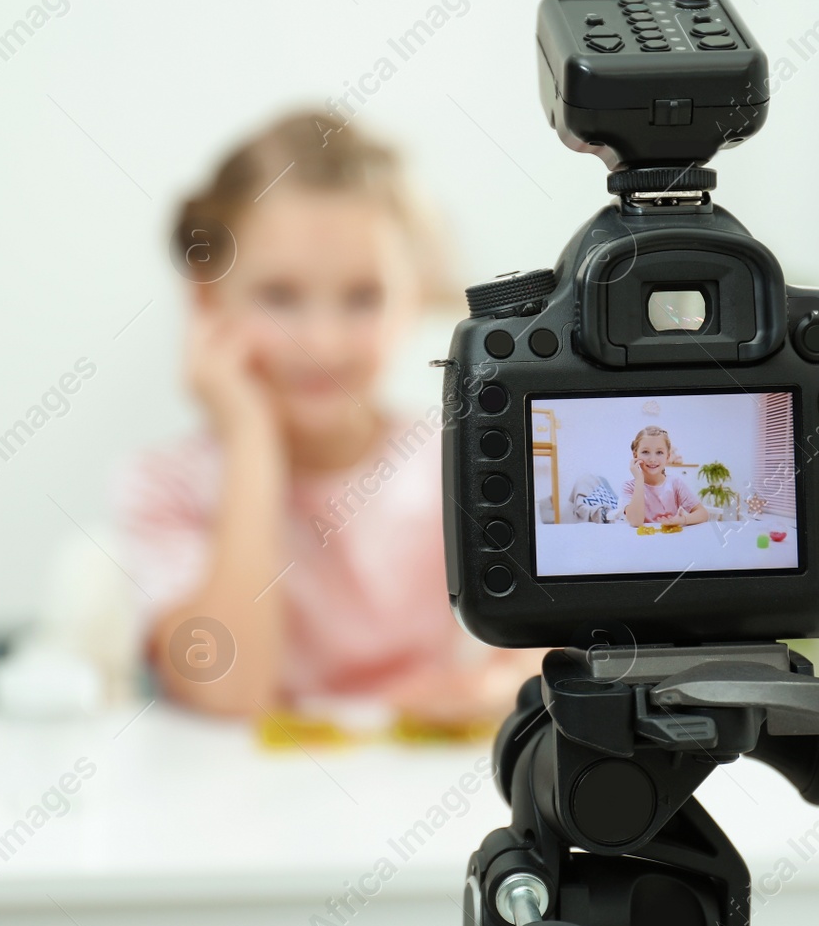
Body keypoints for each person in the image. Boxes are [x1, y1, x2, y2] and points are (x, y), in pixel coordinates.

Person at [117, 110, 536, 723]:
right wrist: (250, 442)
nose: (323, 342)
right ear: (208, 302)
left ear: (412, 298)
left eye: (362, 298)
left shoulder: (455, 466)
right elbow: (229, 694)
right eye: (280, 296)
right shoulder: (167, 487)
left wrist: (501, 689)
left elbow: (553, 653)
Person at [622, 425, 708, 528]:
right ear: (635, 455)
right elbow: (636, 522)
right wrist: (639, 480)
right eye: (645, 452)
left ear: (667, 457)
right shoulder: (629, 487)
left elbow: (703, 513)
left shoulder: (675, 483)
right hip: (643, 540)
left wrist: (683, 520)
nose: (652, 459)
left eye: (659, 452)